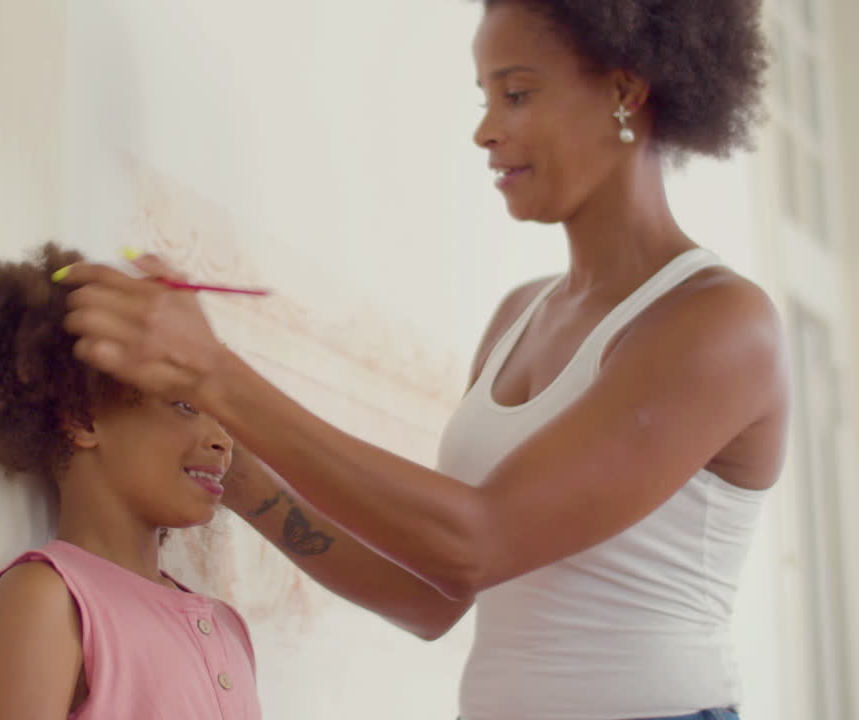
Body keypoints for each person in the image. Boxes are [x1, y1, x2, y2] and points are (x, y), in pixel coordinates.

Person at [54, 1, 785, 718]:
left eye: (517, 93)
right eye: (485, 97)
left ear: (625, 92)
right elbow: (431, 594)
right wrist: (237, 474)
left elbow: (478, 540)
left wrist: (213, 371)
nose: (485, 130)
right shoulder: (517, 317)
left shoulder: (720, 322)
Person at [0, 244, 262, 720]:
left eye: (225, 417)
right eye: (183, 405)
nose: (223, 439)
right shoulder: (46, 601)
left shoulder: (228, 628)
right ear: (82, 418)